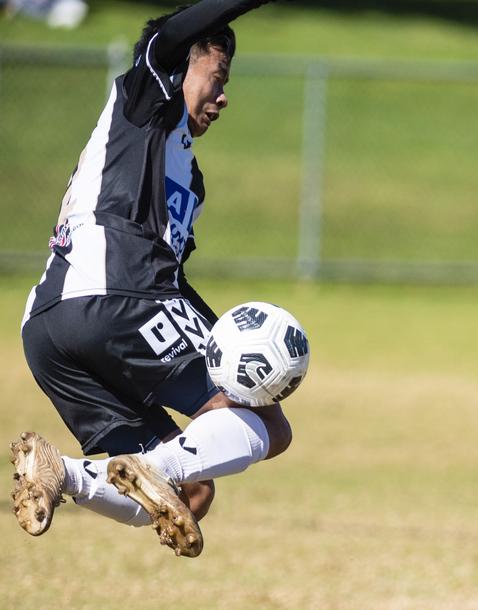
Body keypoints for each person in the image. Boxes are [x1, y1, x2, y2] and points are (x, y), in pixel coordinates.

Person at [10, 0, 286, 559]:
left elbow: (172, 277)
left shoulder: (188, 176)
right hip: (117, 291)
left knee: (192, 490)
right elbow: (170, 34)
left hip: (48, 329)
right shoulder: (145, 99)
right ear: (180, 68)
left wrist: (222, 335)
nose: (223, 95)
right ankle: (146, 467)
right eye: (218, 78)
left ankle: (59, 471)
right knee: (267, 423)